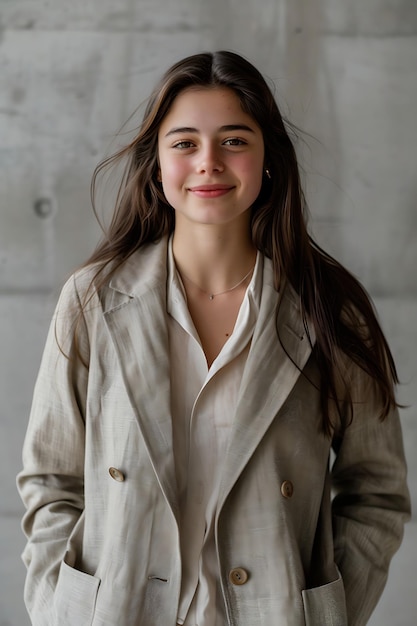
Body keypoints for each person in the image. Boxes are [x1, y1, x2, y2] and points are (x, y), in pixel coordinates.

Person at [17, 50, 410, 626]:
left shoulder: (329, 309)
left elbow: (377, 490)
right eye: (184, 143)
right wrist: (62, 611)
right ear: (156, 163)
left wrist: (330, 615)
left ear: (268, 159)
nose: (208, 162)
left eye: (234, 140)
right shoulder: (92, 301)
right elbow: (51, 481)